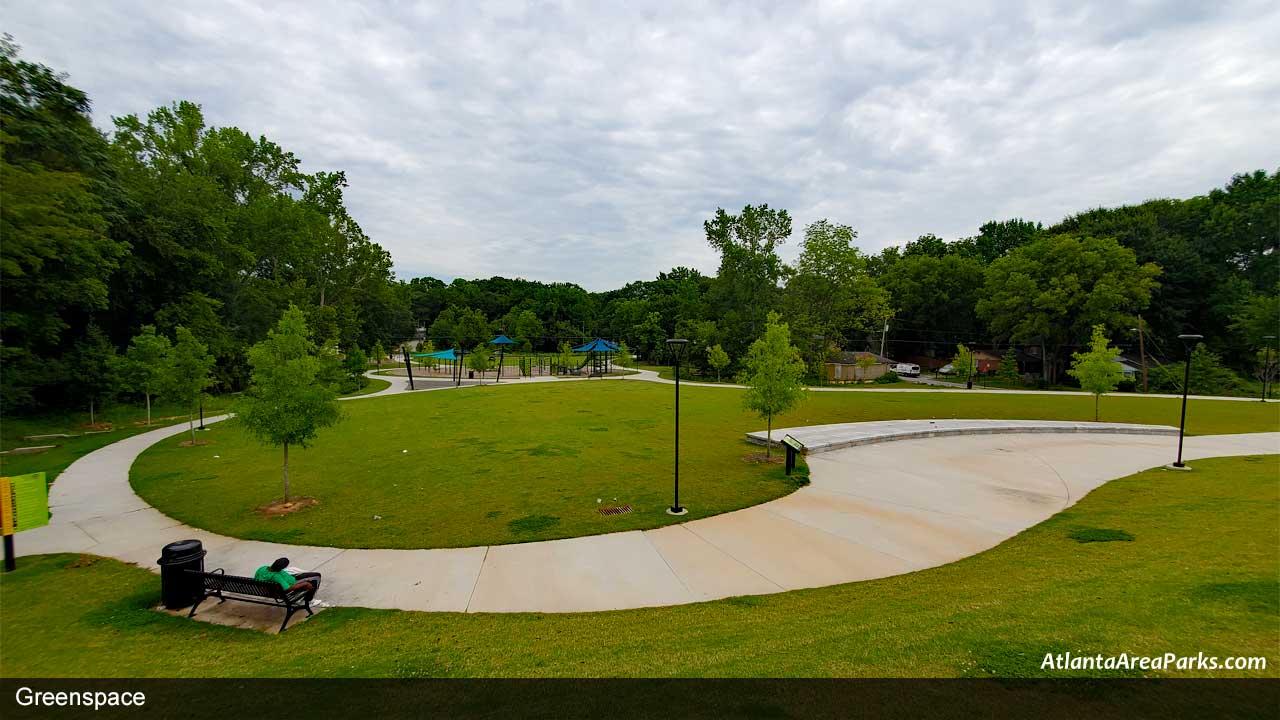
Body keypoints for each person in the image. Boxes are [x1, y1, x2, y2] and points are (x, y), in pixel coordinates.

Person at [254, 557, 321, 602]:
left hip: (276, 585)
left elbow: (257, 578)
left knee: (297, 571)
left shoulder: (262, 568)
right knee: (317, 576)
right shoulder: (276, 576)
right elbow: (287, 588)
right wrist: (305, 583)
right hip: (292, 582)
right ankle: (309, 599)